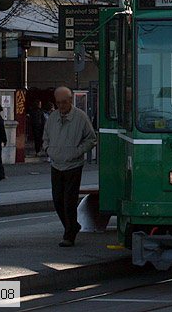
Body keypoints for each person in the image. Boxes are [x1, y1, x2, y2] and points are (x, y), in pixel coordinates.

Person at [42, 86, 97, 247]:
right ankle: (72, 226)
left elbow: (91, 138)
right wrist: (48, 149)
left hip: (73, 165)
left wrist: (77, 152)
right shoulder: (53, 117)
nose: (61, 106)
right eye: (58, 103)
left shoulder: (80, 117)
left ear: (70, 100)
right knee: (57, 200)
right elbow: (46, 136)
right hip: (56, 164)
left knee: (69, 201)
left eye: (64, 102)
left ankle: (69, 234)